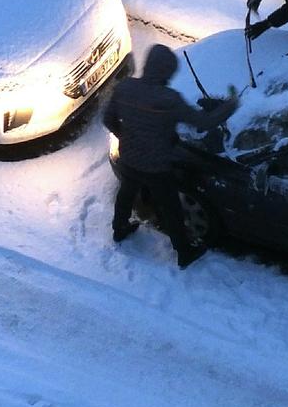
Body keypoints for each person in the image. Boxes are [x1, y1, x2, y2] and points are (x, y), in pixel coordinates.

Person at [102, 44, 238, 269]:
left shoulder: (125, 87)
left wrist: (124, 135)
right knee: (171, 207)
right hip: (157, 166)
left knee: (126, 192)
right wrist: (231, 105)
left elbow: (108, 119)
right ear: (167, 71)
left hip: (130, 157)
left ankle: (119, 228)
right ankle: (184, 252)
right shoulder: (169, 100)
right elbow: (204, 122)